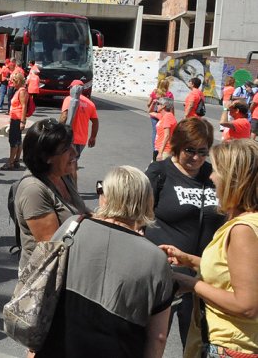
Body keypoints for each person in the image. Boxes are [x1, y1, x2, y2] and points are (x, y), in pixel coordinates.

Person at [35, 166, 173, 358]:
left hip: (57, 349)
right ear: (146, 201)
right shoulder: (156, 259)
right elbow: (158, 337)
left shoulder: (73, 228)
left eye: (101, 189)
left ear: (107, 197)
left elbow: (44, 289)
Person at [161, 139, 258, 357]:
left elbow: (247, 305)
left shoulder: (243, 230)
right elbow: (234, 272)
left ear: (235, 179)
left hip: (228, 347)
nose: (212, 178)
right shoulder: (249, 221)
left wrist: (191, 283)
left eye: (217, 172)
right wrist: (190, 260)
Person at [144, 116, 223, 347]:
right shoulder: (160, 173)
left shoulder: (212, 175)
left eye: (203, 151)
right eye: (190, 150)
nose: (197, 158)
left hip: (202, 273)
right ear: (177, 146)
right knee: (154, 340)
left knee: (197, 342)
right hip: (164, 273)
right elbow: (140, 217)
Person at [13, 118, 88, 270]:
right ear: (46, 157)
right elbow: (54, 248)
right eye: (66, 149)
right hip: (46, 278)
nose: (75, 152)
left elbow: (82, 212)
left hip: (69, 269)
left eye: (72, 144)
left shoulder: (62, 174)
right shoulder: (33, 190)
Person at [59, 80, 98, 158]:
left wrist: (58, 132)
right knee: (73, 161)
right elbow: (95, 122)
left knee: (64, 163)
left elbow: (64, 116)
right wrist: (93, 137)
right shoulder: (90, 104)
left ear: (72, 88)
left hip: (68, 138)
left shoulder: (68, 99)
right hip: (81, 140)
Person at [1, 72, 28, 170]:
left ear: (18, 81)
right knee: (18, 140)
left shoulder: (21, 91)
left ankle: (11, 162)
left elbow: (24, 106)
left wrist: (22, 121)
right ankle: (16, 160)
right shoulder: (19, 90)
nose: (12, 83)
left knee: (13, 141)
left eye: (14, 81)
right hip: (15, 118)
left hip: (17, 119)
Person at [151, 97, 177, 161]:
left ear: (163, 106)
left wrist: (160, 153)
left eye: (158, 103)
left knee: (151, 170)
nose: (157, 105)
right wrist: (153, 103)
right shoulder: (164, 116)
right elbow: (150, 112)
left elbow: (167, 135)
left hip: (164, 150)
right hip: (159, 148)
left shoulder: (167, 116)